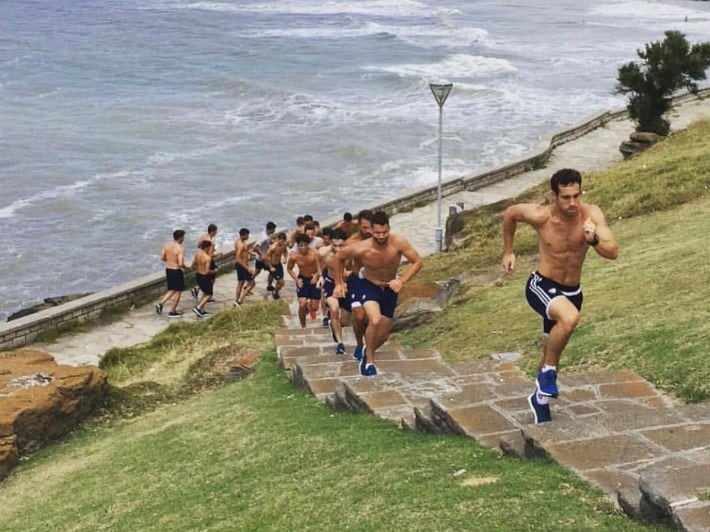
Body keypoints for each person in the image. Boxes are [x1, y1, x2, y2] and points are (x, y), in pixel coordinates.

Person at [501, 168, 618, 424]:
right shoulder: (541, 216)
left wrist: (594, 239)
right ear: (554, 195)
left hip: (572, 291)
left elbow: (612, 252)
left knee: (552, 346)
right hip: (541, 285)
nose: (572, 203)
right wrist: (508, 251)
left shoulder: (591, 215)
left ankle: (539, 399)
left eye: (576, 196)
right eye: (566, 197)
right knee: (569, 319)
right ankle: (549, 375)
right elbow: (510, 214)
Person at [334, 211, 422, 376]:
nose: (381, 236)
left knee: (383, 335)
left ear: (389, 228)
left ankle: (368, 347)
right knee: (374, 320)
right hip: (369, 285)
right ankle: (368, 362)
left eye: (385, 232)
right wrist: (339, 283)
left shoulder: (398, 243)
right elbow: (339, 257)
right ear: (370, 231)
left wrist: (401, 281)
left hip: (390, 287)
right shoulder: (362, 247)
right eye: (377, 233)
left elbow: (417, 262)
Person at [343, 209, 374, 361]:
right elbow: (341, 260)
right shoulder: (352, 242)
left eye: (370, 227)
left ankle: (369, 343)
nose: (368, 231)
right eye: (364, 228)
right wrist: (340, 280)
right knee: (360, 316)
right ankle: (359, 344)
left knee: (371, 318)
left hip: (373, 280)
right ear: (359, 226)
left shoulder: (378, 239)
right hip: (356, 280)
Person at [321, 229, 349, 354]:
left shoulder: (351, 256)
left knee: (344, 321)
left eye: (340, 246)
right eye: (334, 245)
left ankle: (335, 326)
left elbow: (358, 269)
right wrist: (320, 278)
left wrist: (348, 276)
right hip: (331, 284)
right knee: (334, 308)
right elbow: (319, 266)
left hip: (347, 285)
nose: (337, 249)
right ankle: (340, 343)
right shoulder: (326, 256)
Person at [287, 233, 323, 328]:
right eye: (301, 245)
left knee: (315, 307)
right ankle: (303, 326)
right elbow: (289, 269)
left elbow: (322, 266)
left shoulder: (315, 254)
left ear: (308, 245)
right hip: (302, 279)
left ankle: (310, 308)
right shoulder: (294, 256)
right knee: (302, 304)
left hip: (314, 279)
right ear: (298, 245)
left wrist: (316, 276)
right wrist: (296, 279)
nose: (303, 248)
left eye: (305, 245)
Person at [156, 229, 189, 318]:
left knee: (172, 289)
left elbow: (162, 257)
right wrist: (187, 268)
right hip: (176, 271)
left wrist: (170, 260)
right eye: (183, 237)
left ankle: (160, 304)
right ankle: (172, 311)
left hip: (168, 269)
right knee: (178, 291)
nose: (184, 239)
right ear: (180, 238)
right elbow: (181, 263)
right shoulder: (180, 248)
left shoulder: (167, 245)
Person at [191, 224, 221, 301]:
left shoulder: (203, 237)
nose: (216, 233)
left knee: (209, 278)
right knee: (211, 278)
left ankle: (199, 290)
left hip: (201, 257)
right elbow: (210, 255)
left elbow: (198, 246)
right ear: (212, 231)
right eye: (215, 231)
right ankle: (207, 295)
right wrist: (218, 254)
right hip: (208, 260)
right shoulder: (211, 242)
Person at [191, 240, 217, 318]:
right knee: (209, 294)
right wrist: (214, 271)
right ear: (207, 247)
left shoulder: (197, 255)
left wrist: (199, 269)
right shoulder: (207, 258)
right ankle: (198, 307)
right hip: (205, 277)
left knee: (205, 293)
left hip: (198, 275)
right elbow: (207, 271)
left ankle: (202, 310)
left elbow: (193, 265)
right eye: (210, 247)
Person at [263, 232, 289, 300]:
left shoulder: (284, 245)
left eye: (284, 241)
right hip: (272, 264)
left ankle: (269, 286)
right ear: (278, 239)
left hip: (278, 264)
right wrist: (270, 267)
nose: (282, 242)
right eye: (281, 241)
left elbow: (285, 252)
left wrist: (285, 258)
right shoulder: (273, 247)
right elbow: (266, 257)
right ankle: (275, 292)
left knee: (273, 276)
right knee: (281, 282)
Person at [234, 228, 255, 307]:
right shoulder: (241, 245)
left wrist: (251, 253)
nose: (248, 236)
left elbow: (244, 251)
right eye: (247, 235)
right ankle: (239, 301)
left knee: (240, 283)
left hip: (241, 266)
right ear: (244, 235)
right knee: (252, 283)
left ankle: (237, 300)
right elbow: (238, 258)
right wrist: (247, 267)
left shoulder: (239, 241)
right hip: (242, 266)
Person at [253, 221, 277, 292]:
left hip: (259, 258)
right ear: (271, 229)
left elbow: (268, 242)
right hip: (262, 259)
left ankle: (248, 283)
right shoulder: (264, 238)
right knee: (272, 271)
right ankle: (269, 286)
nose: (274, 231)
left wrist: (272, 242)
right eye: (274, 230)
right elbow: (255, 247)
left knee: (257, 271)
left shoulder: (265, 233)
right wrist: (262, 255)